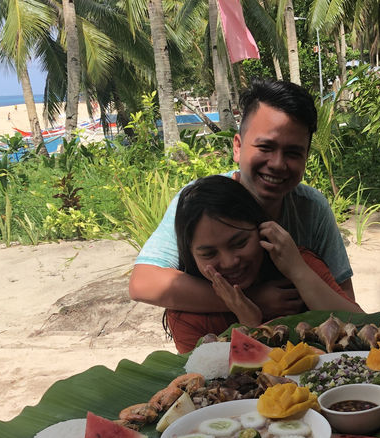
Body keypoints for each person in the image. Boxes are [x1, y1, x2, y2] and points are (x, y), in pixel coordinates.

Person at [129, 79, 355, 323]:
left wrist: (299, 271)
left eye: (293, 153)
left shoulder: (312, 208)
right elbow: (144, 282)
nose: (278, 164)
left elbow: (347, 304)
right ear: (237, 147)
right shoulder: (199, 203)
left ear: (306, 157)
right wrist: (249, 299)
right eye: (265, 147)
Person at [167, 175, 362, 352]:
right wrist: (250, 322)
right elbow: (210, 385)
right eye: (208, 253)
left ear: (262, 229)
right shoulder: (186, 318)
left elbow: (364, 330)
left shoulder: (299, 263)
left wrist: (299, 271)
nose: (230, 262)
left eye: (240, 243)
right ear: (191, 256)